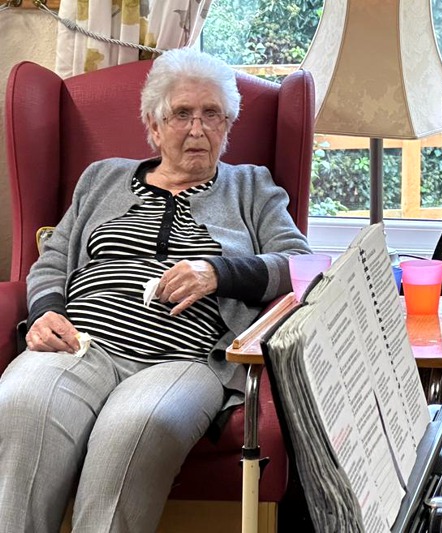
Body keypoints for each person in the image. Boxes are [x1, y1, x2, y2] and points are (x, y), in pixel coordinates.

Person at [0, 48, 312, 532]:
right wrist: (45, 312)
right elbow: (54, 259)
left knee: (137, 427)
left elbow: (304, 266)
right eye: (182, 114)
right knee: (20, 403)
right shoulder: (101, 177)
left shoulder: (251, 187)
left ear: (228, 125)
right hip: (80, 345)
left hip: (182, 361)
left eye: (213, 115)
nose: (198, 129)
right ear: (153, 124)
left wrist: (218, 272)